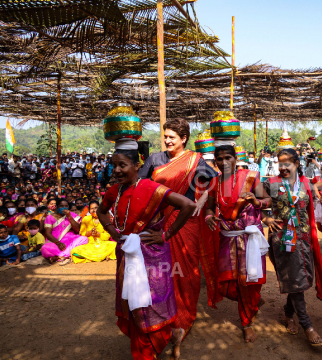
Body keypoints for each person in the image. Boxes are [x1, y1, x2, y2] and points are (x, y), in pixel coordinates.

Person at [97, 140, 196, 360]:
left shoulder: (153, 189)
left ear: (137, 165)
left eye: (122, 165)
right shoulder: (114, 191)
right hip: (126, 254)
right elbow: (101, 212)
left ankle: (162, 340)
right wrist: (112, 231)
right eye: (114, 166)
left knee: (151, 304)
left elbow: (188, 205)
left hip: (152, 256)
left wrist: (166, 235)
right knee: (133, 304)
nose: (117, 170)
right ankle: (167, 338)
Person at [139, 118, 219, 346]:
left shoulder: (196, 160)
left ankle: (182, 320)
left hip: (186, 224)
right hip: (158, 223)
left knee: (187, 273)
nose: (167, 140)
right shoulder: (155, 159)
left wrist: (205, 204)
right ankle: (161, 318)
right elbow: (141, 186)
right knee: (159, 272)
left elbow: (214, 182)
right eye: (165, 136)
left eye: (172, 137)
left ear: (184, 139)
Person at [262, 148, 322, 346]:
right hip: (282, 240)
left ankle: (288, 314)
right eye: (280, 163)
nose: (283, 167)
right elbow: (256, 206)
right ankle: (307, 325)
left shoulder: (307, 184)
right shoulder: (271, 183)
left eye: (287, 162)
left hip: (304, 239)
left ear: (297, 162)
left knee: (300, 279)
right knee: (296, 279)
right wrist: (265, 217)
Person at [205, 145, 271, 343]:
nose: (224, 162)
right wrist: (209, 216)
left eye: (228, 158)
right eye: (219, 158)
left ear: (236, 159)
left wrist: (256, 201)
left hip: (249, 237)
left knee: (248, 282)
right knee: (225, 285)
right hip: (227, 237)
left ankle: (246, 323)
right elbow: (209, 208)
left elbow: (268, 200)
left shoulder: (251, 177)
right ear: (215, 161)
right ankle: (254, 303)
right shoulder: (214, 183)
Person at [40, 199, 89, 265]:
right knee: (44, 248)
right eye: (61, 206)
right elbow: (48, 234)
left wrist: (69, 216)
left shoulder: (72, 215)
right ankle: (69, 254)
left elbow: (77, 229)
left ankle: (58, 256)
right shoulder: (49, 217)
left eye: (66, 206)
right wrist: (58, 243)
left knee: (84, 239)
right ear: (56, 207)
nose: (64, 208)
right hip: (56, 241)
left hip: (71, 240)